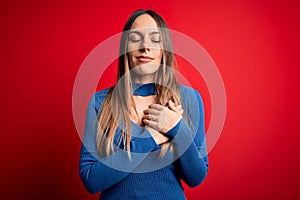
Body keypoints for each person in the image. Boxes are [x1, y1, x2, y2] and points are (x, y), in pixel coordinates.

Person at [79, 9, 208, 200]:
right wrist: (153, 137)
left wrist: (177, 129)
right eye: (136, 38)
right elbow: (90, 180)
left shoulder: (188, 99)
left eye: (154, 39)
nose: (145, 47)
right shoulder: (101, 102)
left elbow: (196, 177)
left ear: (164, 50)